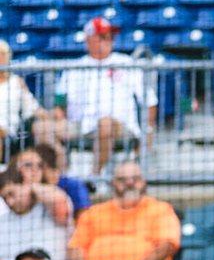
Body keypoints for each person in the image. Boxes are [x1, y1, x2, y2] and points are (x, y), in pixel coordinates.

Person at [45, 18, 152, 172]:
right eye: (102, 37)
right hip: (82, 123)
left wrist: (149, 129)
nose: (108, 41)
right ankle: (63, 176)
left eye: (110, 37)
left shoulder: (126, 63)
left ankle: (94, 176)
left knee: (105, 123)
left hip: (121, 125)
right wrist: (57, 114)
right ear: (89, 40)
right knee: (41, 128)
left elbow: (150, 100)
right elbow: (61, 101)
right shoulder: (74, 67)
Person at [67, 161, 179, 260]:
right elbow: (76, 248)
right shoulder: (93, 213)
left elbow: (168, 244)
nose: (130, 183)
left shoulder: (160, 209)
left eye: (135, 178)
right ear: (113, 183)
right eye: (122, 179)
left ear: (144, 181)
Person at [0, 171, 68, 260]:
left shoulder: (49, 208)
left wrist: (31, 185)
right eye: (4, 198)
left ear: (25, 184)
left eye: (11, 194)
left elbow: (59, 203)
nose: (9, 202)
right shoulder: (2, 221)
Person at [6, 147, 73, 227]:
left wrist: (31, 185)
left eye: (39, 165)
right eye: (28, 164)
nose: (35, 169)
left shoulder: (53, 193)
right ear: (15, 168)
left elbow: (60, 206)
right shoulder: (5, 194)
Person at [0, 43, 39, 152]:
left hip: (8, 129)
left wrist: (47, 114)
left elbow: (31, 108)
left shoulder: (16, 82)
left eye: (2, 54)